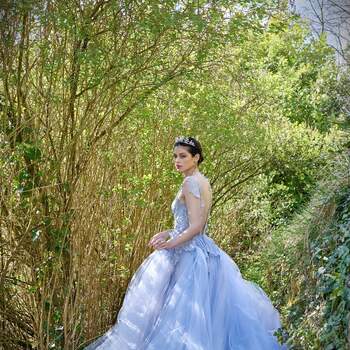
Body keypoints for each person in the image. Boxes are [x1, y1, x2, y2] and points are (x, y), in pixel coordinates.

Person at [85, 136, 288, 350]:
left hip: (188, 253)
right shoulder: (203, 181)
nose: (177, 161)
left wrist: (171, 243)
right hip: (202, 248)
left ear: (196, 158)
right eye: (175, 156)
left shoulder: (190, 182)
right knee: (208, 313)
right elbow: (191, 223)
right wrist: (167, 232)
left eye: (183, 156)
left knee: (180, 314)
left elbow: (196, 226)